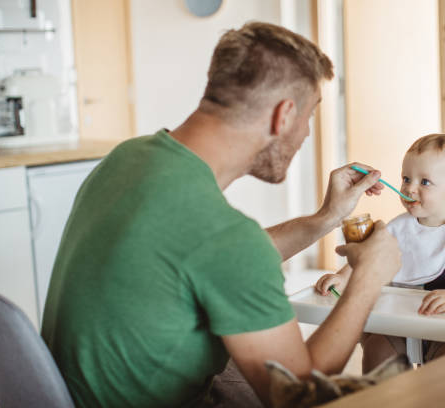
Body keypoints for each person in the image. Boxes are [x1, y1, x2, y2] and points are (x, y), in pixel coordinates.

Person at [41, 22, 402, 408]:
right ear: (284, 115)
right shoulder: (226, 240)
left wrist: (327, 218)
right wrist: (367, 278)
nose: (307, 133)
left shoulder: (128, 157)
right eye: (309, 116)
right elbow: (300, 393)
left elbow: (211, 260)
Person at [315, 134, 445, 372]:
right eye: (406, 178)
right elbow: (368, 259)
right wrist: (342, 276)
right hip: (397, 324)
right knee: (377, 350)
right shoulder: (397, 228)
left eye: (425, 182)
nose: (409, 188)